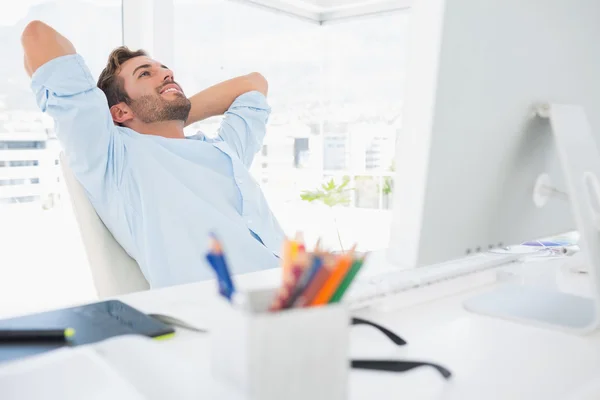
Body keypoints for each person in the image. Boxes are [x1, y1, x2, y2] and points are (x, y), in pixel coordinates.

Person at [21, 20, 285, 288]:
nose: (168, 74)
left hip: (301, 289)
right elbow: (38, 37)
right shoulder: (113, 157)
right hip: (234, 311)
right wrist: (160, 112)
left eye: (165, 70)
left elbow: (254, 84)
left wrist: (169, 113)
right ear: (120, 112)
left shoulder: (224, 150)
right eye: (145, 74)